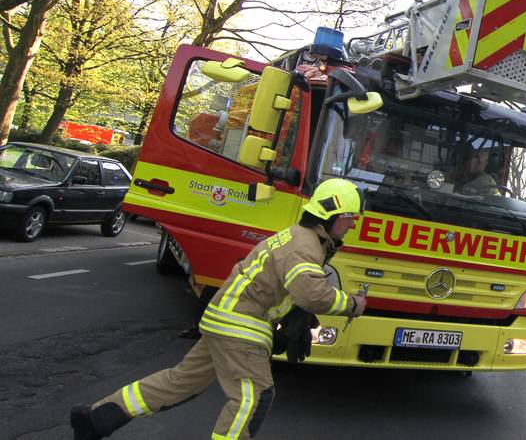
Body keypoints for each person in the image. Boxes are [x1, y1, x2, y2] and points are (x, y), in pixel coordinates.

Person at [69, 178, 368, 440]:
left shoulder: (299, 237)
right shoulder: (307, 247)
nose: (352, 224)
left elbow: (288, 288)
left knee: (180, 382)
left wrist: (289, 313)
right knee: (253, 398)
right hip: (241, 324)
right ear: (330, 214)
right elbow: (311, 293)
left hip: (223, 317)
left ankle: (95, 420)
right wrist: (353, 304)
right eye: (349, 217)